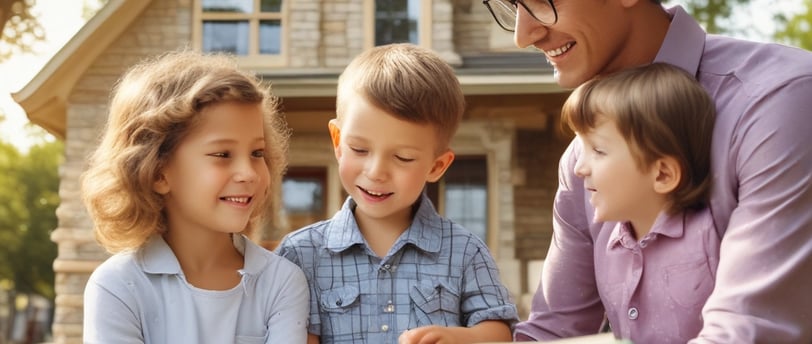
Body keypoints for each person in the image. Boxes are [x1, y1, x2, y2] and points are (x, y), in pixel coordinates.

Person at [482, 0, 812, 342]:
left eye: (540, 1)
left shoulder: (780, 101)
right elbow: (554, 333)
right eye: (510, 6)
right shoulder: (581, 160)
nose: (523, 36)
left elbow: (747, 331)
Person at [276, 43, 519, 344]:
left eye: (403, 158)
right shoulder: (301, 254)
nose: (376, 171)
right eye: (360, 149)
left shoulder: (465, 251)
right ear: (338, 140)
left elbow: (501, 333)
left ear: (437, 165)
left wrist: (458, 338)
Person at [81, 50, 309, 344]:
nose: (249, 173)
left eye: (257, 153)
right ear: (157, 172)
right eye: (222, 155)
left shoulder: (281, 282)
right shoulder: (118, 286)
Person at [561, 62, 719, 343]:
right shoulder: (607, 250)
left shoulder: (712, 241)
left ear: (663, 174)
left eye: (597, 150)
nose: (579, 168)